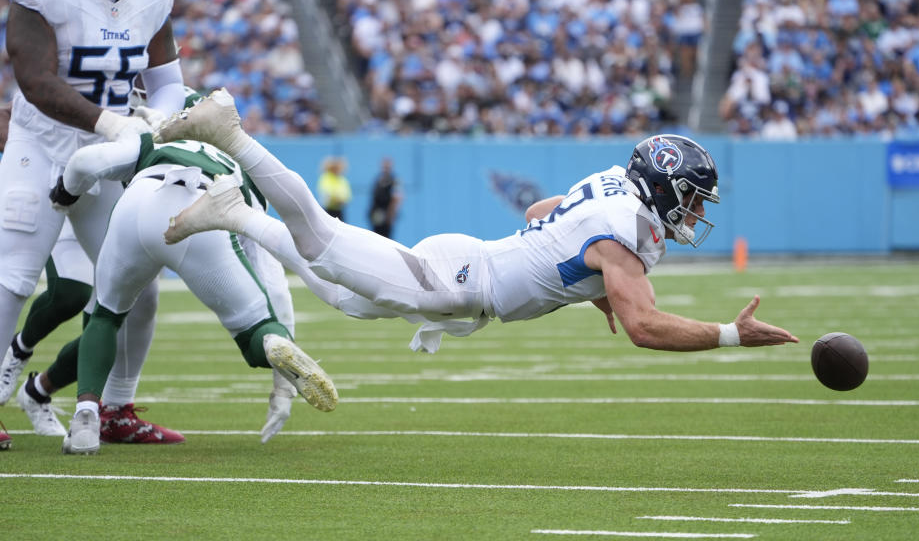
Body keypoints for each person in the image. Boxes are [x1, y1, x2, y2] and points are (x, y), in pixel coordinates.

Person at [155, 90, 799, 354]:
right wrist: (731, 335)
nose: (693, 212)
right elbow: (644, 327)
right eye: (690, 197)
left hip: (473, 279)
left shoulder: (612, 193)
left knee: (341, 298)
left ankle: (233, 213)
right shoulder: (626, 229)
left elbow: (541, 214)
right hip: (461, 277)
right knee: (321, 241)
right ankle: (232, 134)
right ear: (661, 186)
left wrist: (590, 274)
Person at [0, 0, 187, 450]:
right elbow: (35, 81)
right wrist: (112, 122)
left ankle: (114, 408)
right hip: (42, 147)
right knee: (13, 275)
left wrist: (159, 119)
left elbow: (167, 78)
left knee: (139, 281)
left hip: (108, 156)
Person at [47, 131, 338, 454]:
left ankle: (85, 419)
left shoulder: (156, 141)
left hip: (138, 200)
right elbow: (274, 283)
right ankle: (269, 344)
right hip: (204, 211)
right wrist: (281, 375)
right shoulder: (246, 176)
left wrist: (64, 195)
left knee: (106, 314)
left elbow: (87, 161)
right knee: (256, 332)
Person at [368, 157, 402, 238]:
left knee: (385, 238)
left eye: (387, 166)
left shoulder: (394, 180)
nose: (385, 168)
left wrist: (391, 214)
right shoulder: (379, 178)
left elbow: (397, 197)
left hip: (386, 214)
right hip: (377, 213)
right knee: (376, 237)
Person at [317, 157, 351, 221]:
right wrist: (336, 199)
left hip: (339, 210)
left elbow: (347, 196)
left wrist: (341, 200)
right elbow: (326, 193)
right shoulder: (326, 177)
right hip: (328, 210)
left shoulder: (342, 179)